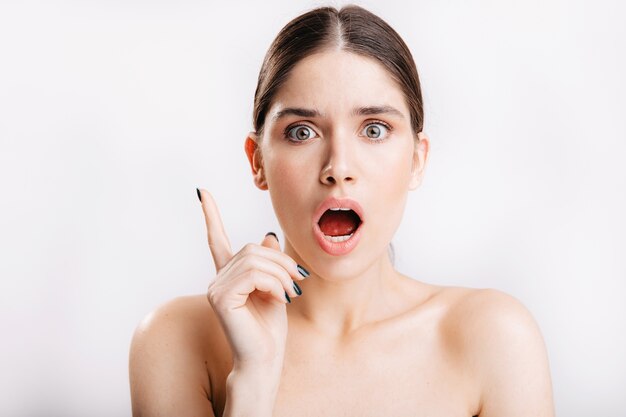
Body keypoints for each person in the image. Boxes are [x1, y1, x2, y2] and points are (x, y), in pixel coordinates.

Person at [129, 4, 555, 416]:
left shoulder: (496, 339)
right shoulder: (174, 340)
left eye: (374, 129)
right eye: (302, 131)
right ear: (257, 161)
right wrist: (254, 382)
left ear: (417, 159)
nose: (339, 168)